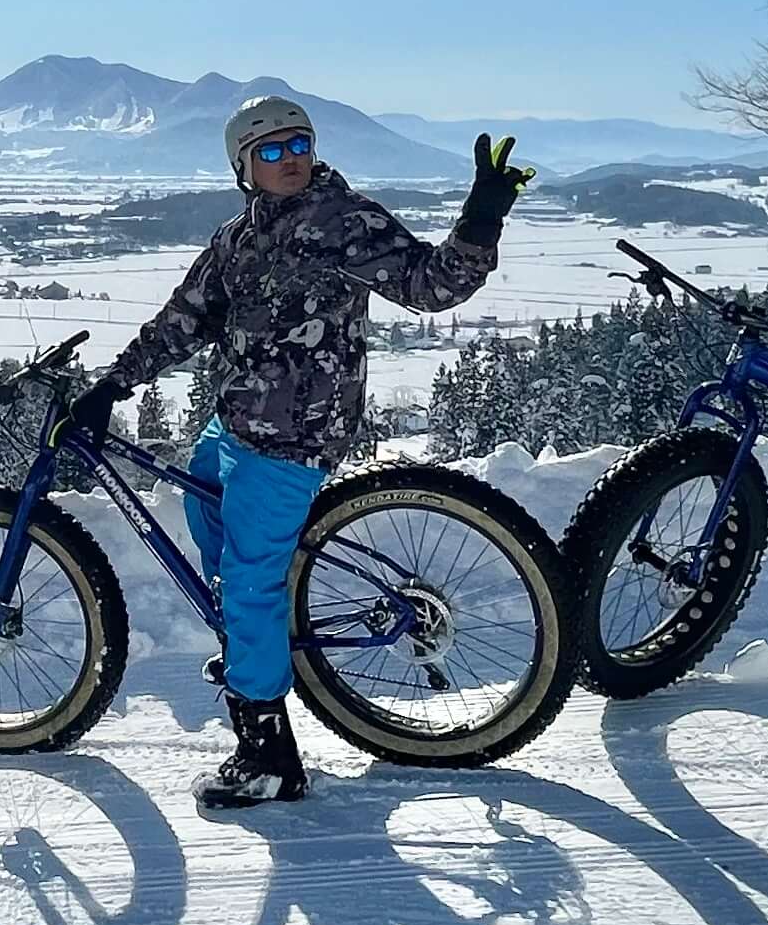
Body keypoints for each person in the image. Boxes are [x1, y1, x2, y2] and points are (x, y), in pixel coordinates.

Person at [70, 99, 529, 808]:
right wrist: (114, 383)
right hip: (236, 423)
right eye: (272, 150)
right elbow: (184, 320)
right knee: (217, 542)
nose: (290, 160)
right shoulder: (237, 240)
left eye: (299, 145)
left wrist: (482, 216)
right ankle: (256, 647)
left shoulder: (345, 219)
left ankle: (268, 757)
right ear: (243, 167)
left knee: (252, 582)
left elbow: (430, 286)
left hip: (298, 433)